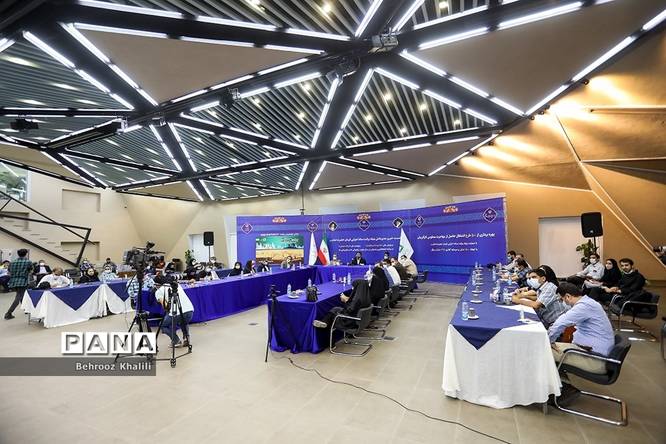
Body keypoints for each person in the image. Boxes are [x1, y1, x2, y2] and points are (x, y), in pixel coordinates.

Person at [548, 283, 615, 404]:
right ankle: (562, 385)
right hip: (588, 351)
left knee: (543, 351)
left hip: (595, 359)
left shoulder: (584, 306)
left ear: (568, 296)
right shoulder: (589, 303)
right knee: (550, 348)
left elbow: (560, 323)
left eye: (561, 299)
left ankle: (564, 390)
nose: (562, 302)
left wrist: (548, 341)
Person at [153, 276, 194, 348]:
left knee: (163, 325)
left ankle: (176, 341)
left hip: (176, 313)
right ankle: (186, 338)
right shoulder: (176, 285)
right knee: (184, 321)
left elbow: (165, 306)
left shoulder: (158, 292)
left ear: (157, 284)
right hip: (190, 310)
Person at [5, 249, 33, 320]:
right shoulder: (28, 262)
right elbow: (31, 271)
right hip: (23, 281)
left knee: (21, 295)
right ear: (26, 254)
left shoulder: (12, 262)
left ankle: (26, 309)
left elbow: (9, 271)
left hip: (13, 281)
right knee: (18, 296)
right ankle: (8, 313)